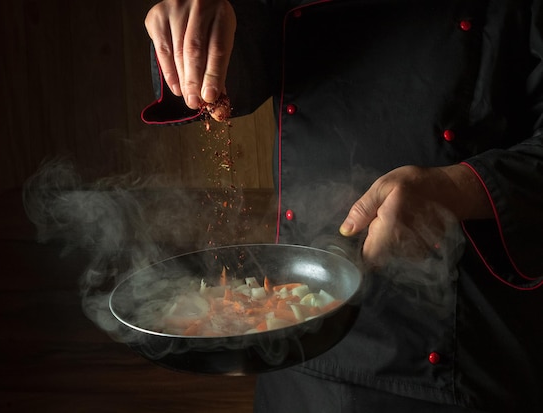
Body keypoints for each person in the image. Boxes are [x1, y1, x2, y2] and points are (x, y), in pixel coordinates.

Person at [141, 0, 543, 411]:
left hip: (462, 358)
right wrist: (191, 36)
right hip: (296, 338)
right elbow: (235, 65)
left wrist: (456, 189)